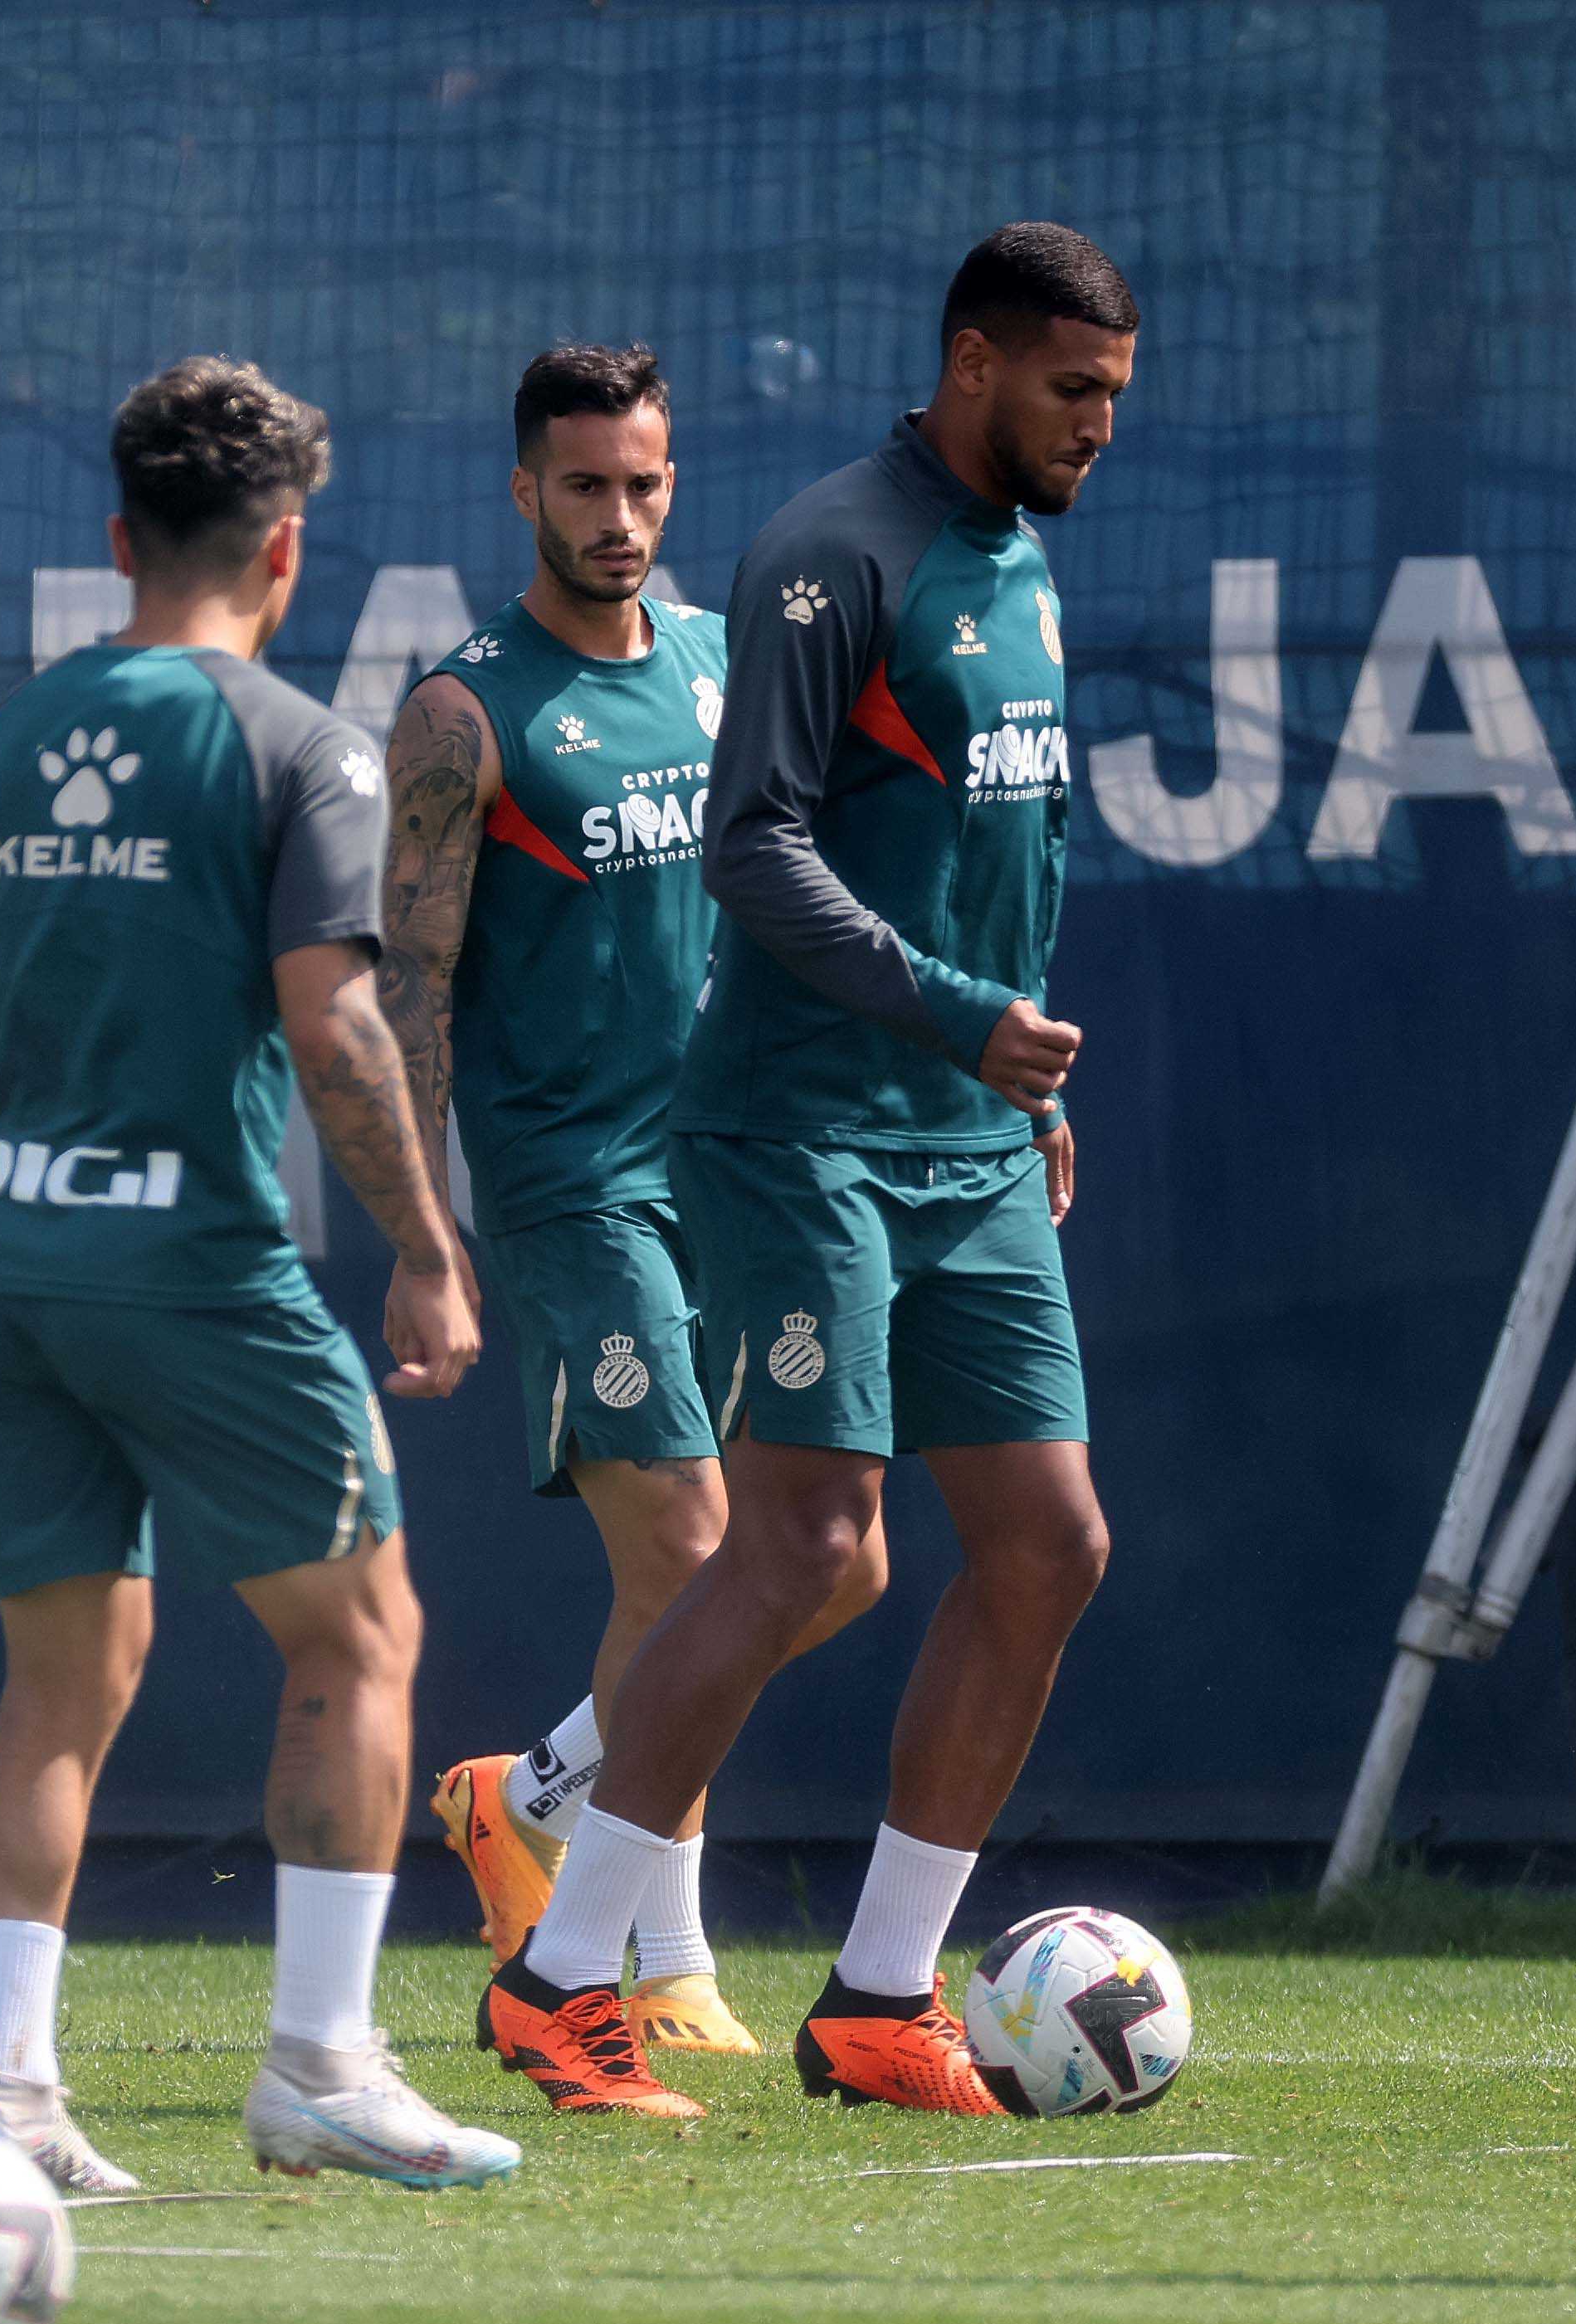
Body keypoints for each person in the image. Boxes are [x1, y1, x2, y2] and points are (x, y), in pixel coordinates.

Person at [0, 356, 519, 2196]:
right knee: (357, 1637)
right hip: (193, 1269)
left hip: (7, 1275)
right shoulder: (302, 746)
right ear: (284, 552)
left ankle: (6, 2102)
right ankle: (321, 2067)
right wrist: (427, 1251)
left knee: (63, 1677)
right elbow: (336, 1025)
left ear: (119, 538)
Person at [481, 223, 1136, 2117]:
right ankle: (559, 1976)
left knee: (1049, 1545)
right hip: (801, 1134)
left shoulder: (1020, 563)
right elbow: (752, 847)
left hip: (970, 1134)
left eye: (1114, 393)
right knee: (801, 1544)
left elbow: (1014, 847)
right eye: (1072, 389)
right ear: (972, 362)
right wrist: (961, 1013)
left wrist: (1019, 1071)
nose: (1098, 424)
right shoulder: (829, 553)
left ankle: (877, 1999)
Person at [380, 347, 882, 2109]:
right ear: (524, 490)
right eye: (584, 485)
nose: (618, 516)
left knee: (836, 1562)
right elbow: (408, 988)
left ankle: (526, 1797)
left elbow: (804, 906)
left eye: (644, 485)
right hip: (572, 1183)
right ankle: (655, 1961)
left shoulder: (726, 665)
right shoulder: (464, 715)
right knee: (686, 1548)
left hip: (741, 1164)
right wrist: (423, 1233)